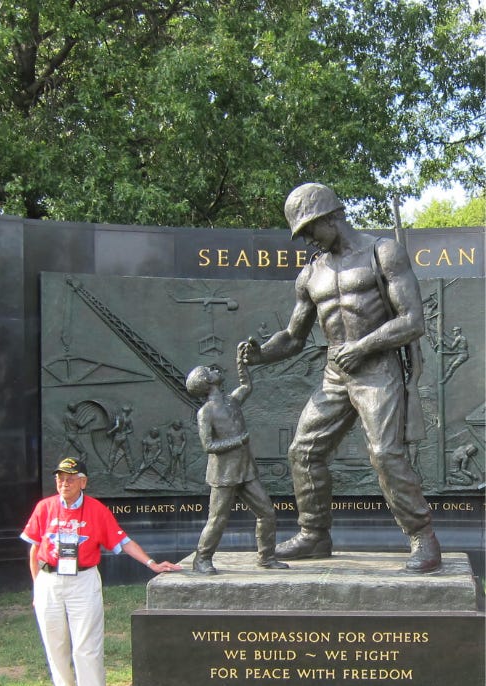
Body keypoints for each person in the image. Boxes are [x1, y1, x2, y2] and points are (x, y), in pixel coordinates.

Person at [241, 182, 440, 573]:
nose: (307, 240)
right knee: (303, 451)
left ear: (330, 217)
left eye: (310, 229)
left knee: (385, 453)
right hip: (336, 372)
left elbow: (412, 321)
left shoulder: (382, 253)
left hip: (377, 367)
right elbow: (294, 337)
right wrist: (262, 353)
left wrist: (364, 346)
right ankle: (315, 534)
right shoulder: (310, 273)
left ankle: (423, 538)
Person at [21, 457, 180, 686]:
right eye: (60, 478)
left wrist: (151, 563)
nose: (64, 483)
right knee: (54, 642)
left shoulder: (96, 510)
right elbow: (35, 548)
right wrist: (37, 586)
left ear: (83, 482)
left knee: (86, 645)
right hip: (49, 581)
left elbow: (123, 541)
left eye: (71, 478)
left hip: (82, 581)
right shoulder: (44, 508)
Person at [185, 345, 289, 574]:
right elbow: (208, 446)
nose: (214, 370)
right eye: (209, 371)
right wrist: (238, 441)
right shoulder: (206, 412)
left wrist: (241, 361)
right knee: (218, 519)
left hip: (245, 470)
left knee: (267, 512)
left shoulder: (232, 400)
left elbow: (246, 386)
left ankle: (267, 557)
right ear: (207, 382)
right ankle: (202, 559)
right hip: (223, 474)